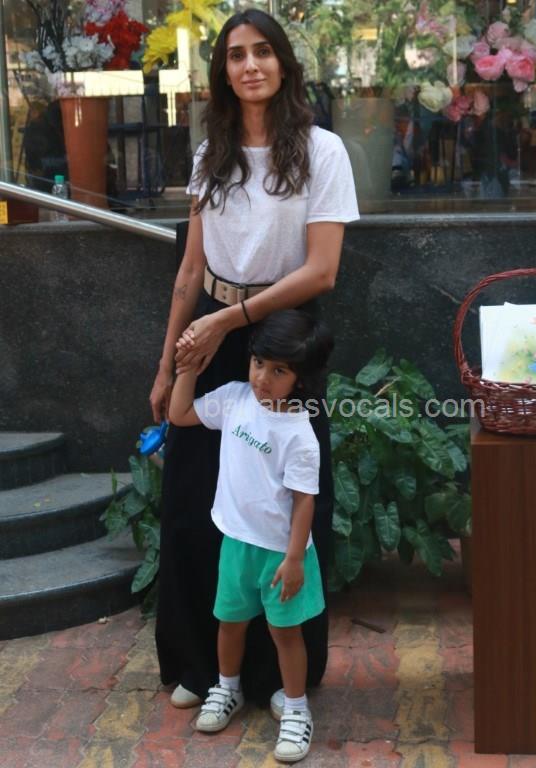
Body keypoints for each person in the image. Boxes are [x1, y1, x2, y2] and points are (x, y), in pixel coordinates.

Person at [148, 7, 359, 710]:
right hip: (209, 332)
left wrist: (230, 322)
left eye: (263, 51)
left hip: (283, 342)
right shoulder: (212, 153)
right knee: (192, 498)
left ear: (283, 64)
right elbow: (190, 269)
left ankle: (280, 678)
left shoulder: (323, 151)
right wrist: (168, 362)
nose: (250, 65)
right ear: (223, 72)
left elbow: (323, 269)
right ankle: (203, 668)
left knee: (287, 500)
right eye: (236, 55)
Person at [169, 310, 333, 763]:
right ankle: (227, 689)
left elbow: (305, 501)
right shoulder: (234, 399)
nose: (262, 378)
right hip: (235, 544)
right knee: (230, 622)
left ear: (300, 379)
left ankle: (296, 709)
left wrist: (295, 558)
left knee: (286, 634)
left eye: (279, 371)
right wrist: (186, 368)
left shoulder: (299, 433)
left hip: (281, 555)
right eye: (259, 363)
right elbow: (179, 414)